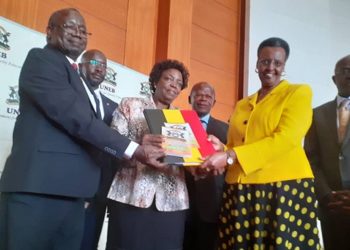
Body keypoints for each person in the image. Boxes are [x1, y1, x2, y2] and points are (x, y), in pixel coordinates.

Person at [0, 8, 165, 250]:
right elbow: (76, 118)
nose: (78, 34)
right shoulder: (42, 60)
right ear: (49, 32)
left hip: (74, 195)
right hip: (38, 190)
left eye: (82, 30)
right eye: (70, 27)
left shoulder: (78, 78)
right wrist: (135, 149)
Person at [201, 37, 321, 249]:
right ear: (257, 65)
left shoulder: (298, 93)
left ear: (284, 66)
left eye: (277, 63)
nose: (270, 68)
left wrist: (230, 155)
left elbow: (286, 139)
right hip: (239, 189)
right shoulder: (242, 104)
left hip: (283, 189)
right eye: (265, 62)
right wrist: (223, 148)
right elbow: (238, 144)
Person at [106, 59, 190, 250]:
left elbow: (188, 158)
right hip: (131, 195)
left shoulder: (183, 119)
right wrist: (137, 147)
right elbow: (112, 143)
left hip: (172, 202)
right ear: (155, 81)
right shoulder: (130, 105)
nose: (174, 85)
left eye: (178, 83)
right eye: (169, 79)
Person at [304, 55, 350, 250]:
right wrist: (325, 194)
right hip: (329, 204)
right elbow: (311, 159)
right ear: (334, 78)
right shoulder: (317, 114)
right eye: (345, 71)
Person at [79, 49, 118, 250]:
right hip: (71, 188)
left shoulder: (113, 107)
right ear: (81, 65)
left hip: (100, 191)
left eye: (104, 65)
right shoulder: (69, 94)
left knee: (89, 243)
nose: (100, 68)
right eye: (95, 62)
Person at [183, 81, 228, 250]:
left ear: (214, 102)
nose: (203, 99)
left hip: (213, 204)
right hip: (182, 200)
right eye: (199, 95)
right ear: (190, 98)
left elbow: (231, 161)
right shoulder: (177, 123)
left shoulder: (226, 129)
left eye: (208, 96)